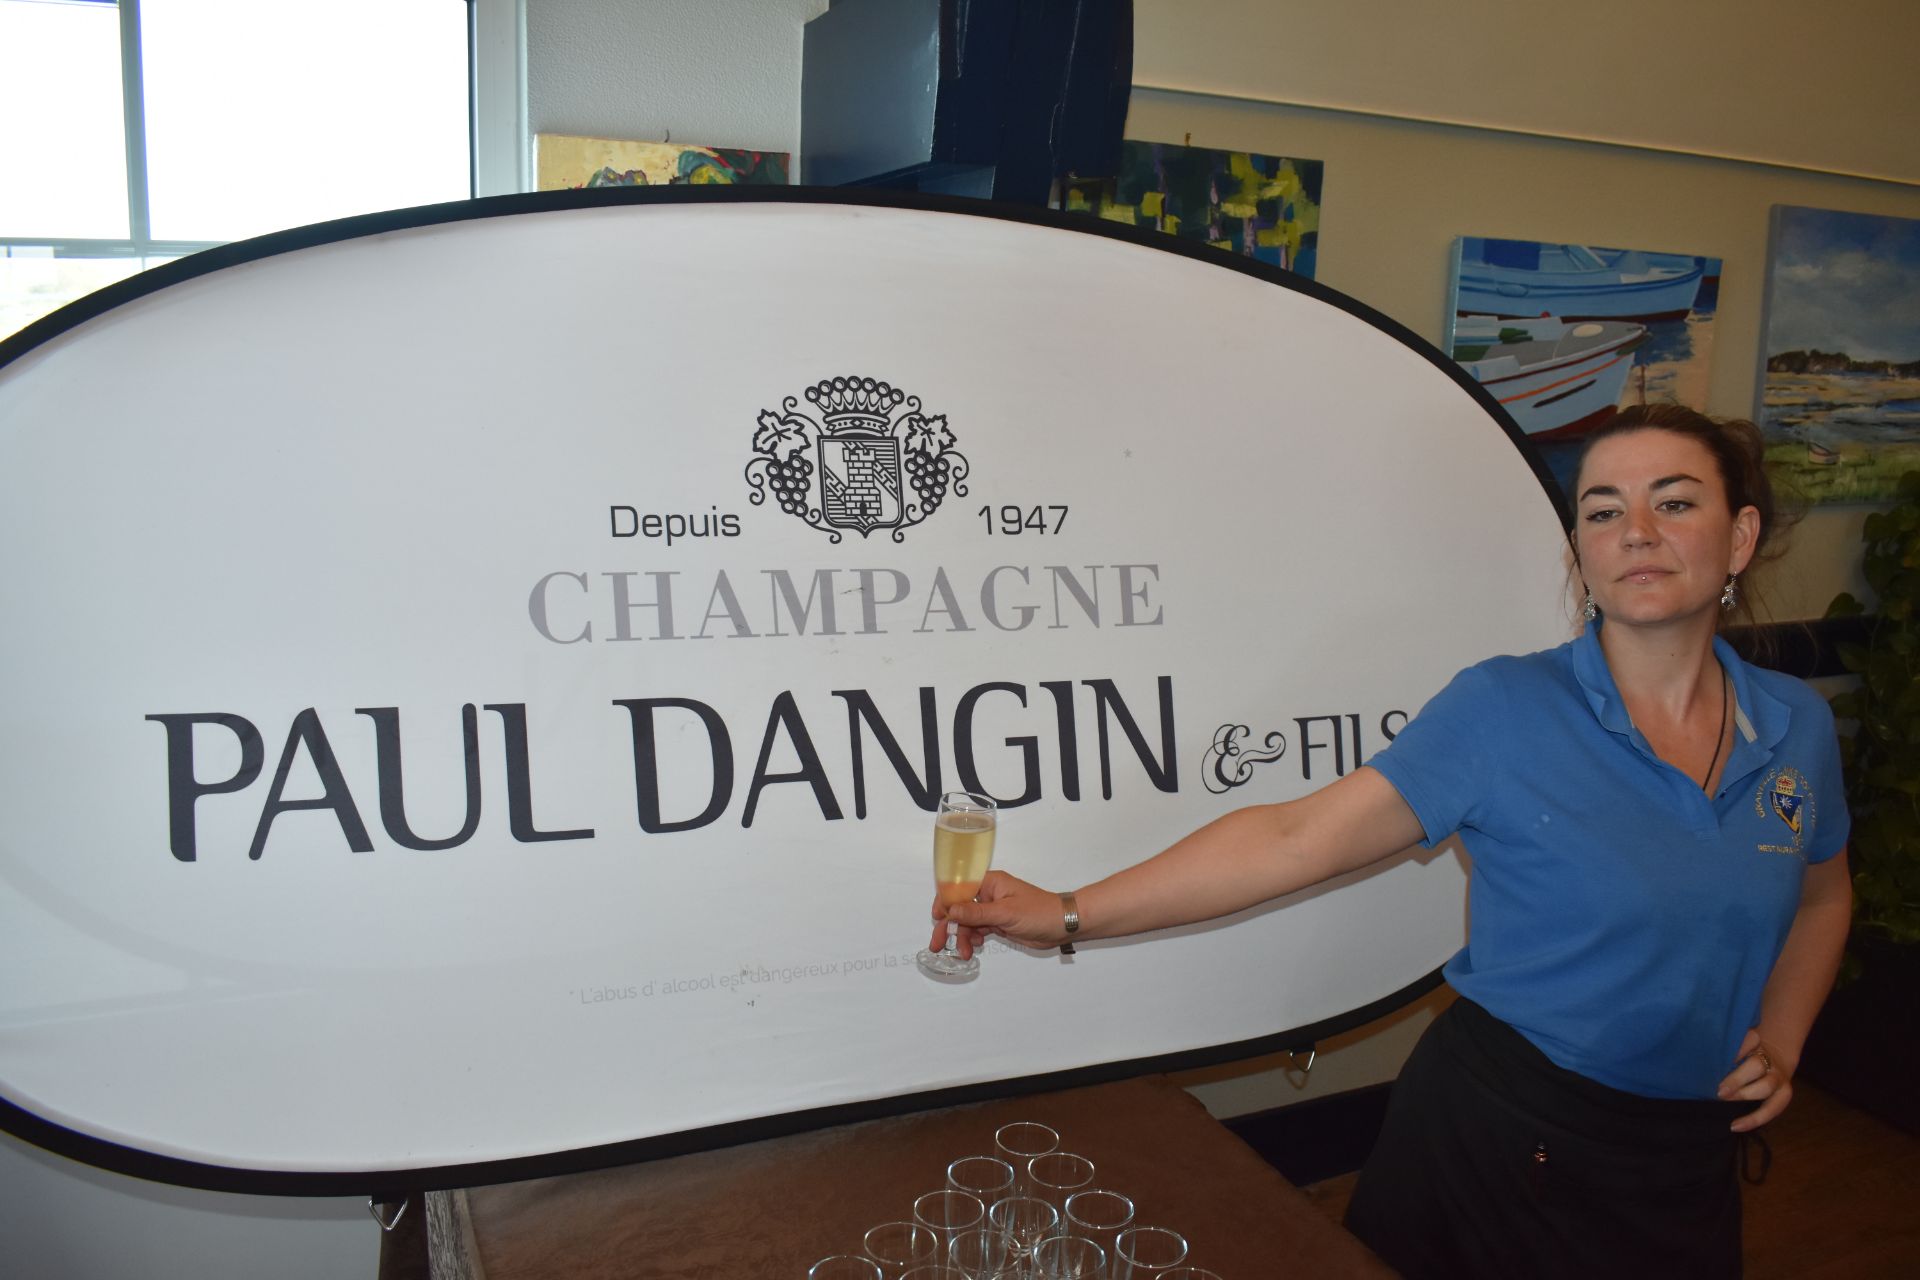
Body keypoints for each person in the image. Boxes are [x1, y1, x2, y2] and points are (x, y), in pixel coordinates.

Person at [931, 404, 1852, 1278]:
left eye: (1674, 503)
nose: (1636, 532)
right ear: (1581, 549)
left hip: (1689, 1153)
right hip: (1505, 1139)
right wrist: (1067, 912)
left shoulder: (1796, 724)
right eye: (1604, 510)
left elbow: (1822, 894)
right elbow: (1292, 838)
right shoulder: (1506, 707)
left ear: (1739, 537)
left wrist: (1783, 1037)